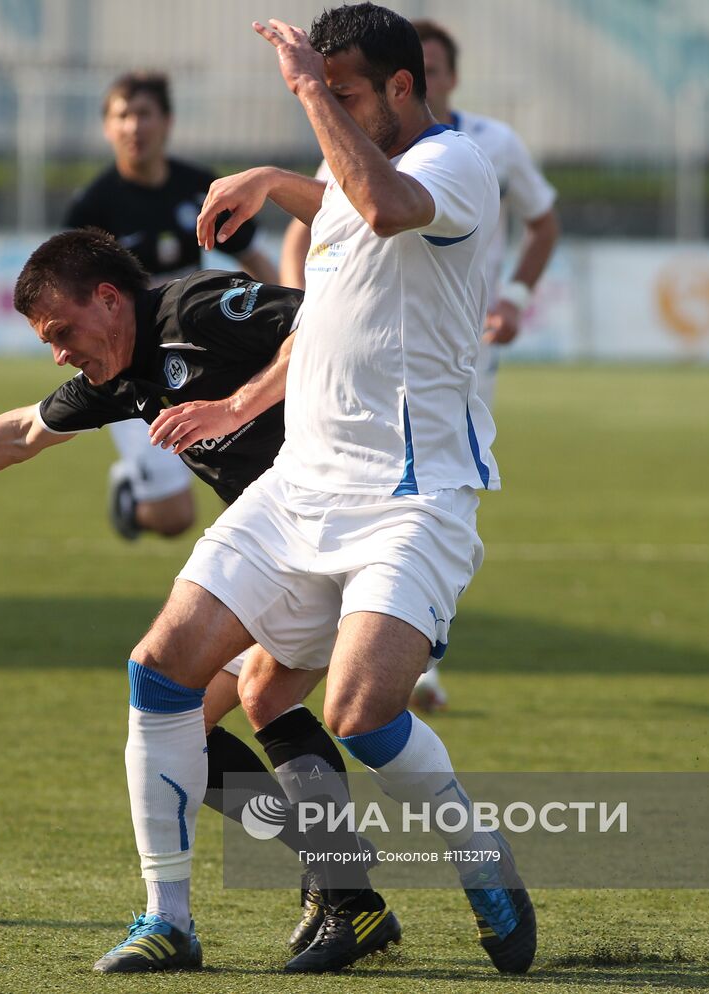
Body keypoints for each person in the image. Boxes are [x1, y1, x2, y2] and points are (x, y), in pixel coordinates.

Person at [98, 4, 535, 976]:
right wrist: (237, 402)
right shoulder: (349, 175)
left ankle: (478, 856)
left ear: (401, 87)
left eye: (344, 94)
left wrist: (302, 92)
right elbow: (328, 278)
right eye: (321, 92)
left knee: (360, 714)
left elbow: (382, 203)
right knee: (161, 672)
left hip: (412, 495)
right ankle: (167, 917)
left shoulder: (455, 161)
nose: (325, 108)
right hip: (300, 488)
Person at [0, 227, 383, 963]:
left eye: (62, 331)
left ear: (110, 299)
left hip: (343, 532)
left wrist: (239, 403)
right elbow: (20, 431)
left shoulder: (202, 309)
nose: (58, 353)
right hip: (270, 558)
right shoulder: (120, 377)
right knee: (182, 729)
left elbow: (326, 322)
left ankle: (343, 892)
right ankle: (340, 880)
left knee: (247, 697)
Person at [280, 17, 560, 714]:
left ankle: (411, 646)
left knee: (427, 486)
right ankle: (367, 643)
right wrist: (304, 313)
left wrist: (517, 297)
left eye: (434, 66)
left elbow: (541, 219)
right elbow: (324, 219)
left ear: (427, 81)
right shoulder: (355, 137)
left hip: (452, 349)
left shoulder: (479, 149)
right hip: (352, 383)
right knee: (208, 679)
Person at [65, 71, 279, 542]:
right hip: (130, 366)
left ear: (167, 122)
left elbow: (253, 255)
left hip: (198, 349)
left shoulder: (200, 187)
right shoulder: (92, 208)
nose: (134, 126)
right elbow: (66, 299)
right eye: (122, 115)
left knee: (260, 470)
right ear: (107, 127)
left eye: (144, 114)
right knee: (173, 519)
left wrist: (286, 314)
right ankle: (129, 491)